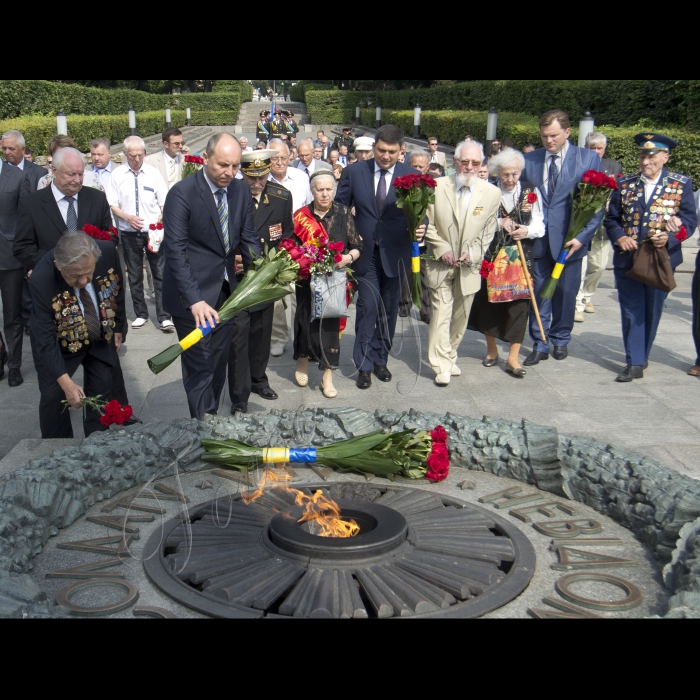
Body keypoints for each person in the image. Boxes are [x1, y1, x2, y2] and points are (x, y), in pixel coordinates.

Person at [163, 133, 260, 419]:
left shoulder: (241, 191)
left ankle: (210, 415)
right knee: (199, 365)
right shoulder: (182, 194)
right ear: (205, 159)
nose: (229, 173)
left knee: (217, 363)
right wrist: (194, 300)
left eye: (235, 166)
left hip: (225, 293)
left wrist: (267, 272)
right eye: (222, 165)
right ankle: (203, 429)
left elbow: (249, 238)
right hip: (190, 298)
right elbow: (176, 252)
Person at [336, 125, 426, 389]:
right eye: (381, 150)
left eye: (391, 152)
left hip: (395, 253)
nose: (385, 156)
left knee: (389, 311)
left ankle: (380, 360)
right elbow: (341, 209)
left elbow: (421, 212)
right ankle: (363, 364)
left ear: (401, 151)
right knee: (367, 308)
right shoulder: (355, 171)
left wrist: (423, 225)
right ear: (374, 147)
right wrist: (348, 239)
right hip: (364, 254)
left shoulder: (410, 176)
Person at [607, 133, 696, 383]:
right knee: (631, 310)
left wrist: (672, 238)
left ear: (665, 157)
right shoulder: (624, 184)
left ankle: (640, 354)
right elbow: (612, 219)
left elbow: (689, 222)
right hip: (629, 258)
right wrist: (619, 237)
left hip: (661, 260)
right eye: (643, 155)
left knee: (652, 310)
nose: (646, 161)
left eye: (652, 156)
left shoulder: (680, 184)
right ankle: (634, 361)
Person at [522, 109, 603, 366]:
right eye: (545, 136)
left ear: (568, 132)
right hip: (539, 240)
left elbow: (598, 203)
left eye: (554, 135)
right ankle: (540, 341)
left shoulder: (587, 159)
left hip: (571, 240)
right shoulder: (530, 160)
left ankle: (560, 338)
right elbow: (522, 196)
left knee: (566, 294)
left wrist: (583, 236)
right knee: (539, 293)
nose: (549, 141)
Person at [29, 232, 125, 439]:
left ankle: (97, 442)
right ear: (59, 266)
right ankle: (57, 448)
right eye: (75, 276)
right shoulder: (40, 281)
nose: (83, 280)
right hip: (61, 342)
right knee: (54, 395)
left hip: (98, 335)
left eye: (88, 273)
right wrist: (67, 384)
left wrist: (119, 326)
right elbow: (44, 340)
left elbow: (117, 289)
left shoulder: (107, 251)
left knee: (101, 389)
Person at [423, 141, 501, 385]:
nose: (469, 167)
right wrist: (442, 247)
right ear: (455, 162)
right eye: (464, 161)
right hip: (439, 264)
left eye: (475, 163)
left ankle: (450, 354)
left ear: (481, 165)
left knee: (460, 316)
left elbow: (487, 232)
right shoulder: (435, 187)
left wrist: (472, 254)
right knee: (440, 313)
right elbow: (426, 225)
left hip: (469, 267)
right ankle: (441, 365)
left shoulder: (491, 193)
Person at [468, 149, 545, 378]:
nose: (510, 179)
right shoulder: (488, 191)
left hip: (520, 259)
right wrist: (498, 222)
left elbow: (540, 223)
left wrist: (527, 230)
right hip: (492, 257)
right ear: (497, 174)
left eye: (514, 174)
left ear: (520, 171)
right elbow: (477, 221)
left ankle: (513, 358)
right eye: (505, 175)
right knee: (489, 304)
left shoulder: (531, 192)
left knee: (519, 307)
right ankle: (492, 351)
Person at [227, 150, 294, 415]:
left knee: (262, 332)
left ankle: (259, 379)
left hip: (266, 276)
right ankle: (239, 394)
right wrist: (234, 259)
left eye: (262, 177)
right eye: (250, 177)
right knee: (239, 335)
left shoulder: (281, 197)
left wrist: (277, 265)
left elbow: (287, 236)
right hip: (239, 280)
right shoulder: (231, 196)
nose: (256, 183)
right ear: (242, 173)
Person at [294, 171, 363, 399]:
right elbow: (291, 249)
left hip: (335, 280)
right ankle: (302, 360)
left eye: (328, 189)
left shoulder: (343, 213)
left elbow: (356, 245)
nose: (324, 194)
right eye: (319, 189)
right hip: (307, 280)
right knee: (305, 320)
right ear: (312, 191)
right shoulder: (300, 216)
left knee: (329, 327)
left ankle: (327, 374)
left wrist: (347, 258)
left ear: (334, 190)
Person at [107, 136, 173, 333]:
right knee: (134, 274)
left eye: (139, 154)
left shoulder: (153, 173)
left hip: (153, 232)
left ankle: (164, 316)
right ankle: (141, 313)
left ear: (144, 153)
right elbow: (112, 204)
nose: (136, 158)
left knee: (159, 272)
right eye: (132, 155)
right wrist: (127, 218)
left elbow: (164, 201)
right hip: (129, 232)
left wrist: (160, 217)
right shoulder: (117, 174)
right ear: (125, 154)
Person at [14, 148, 113, 272]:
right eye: (71, 174)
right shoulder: (31, 204)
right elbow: (22, 248)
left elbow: (110, 237)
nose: (77, 180)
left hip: (91, 278)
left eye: (81, 174)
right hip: (51, 279)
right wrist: (57, 262)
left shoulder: (97, 199)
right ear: (54, 171)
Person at [574, 132, 623, 323]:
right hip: (581, 224)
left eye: (599, 148)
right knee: (580, 265)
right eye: (592, 148)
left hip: (602, 227)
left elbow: (619, 194)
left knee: (599, 265)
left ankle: (588, 295)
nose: (596, 152)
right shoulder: (578, 165)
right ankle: (577, 303)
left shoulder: (614, 166)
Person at [0, 157, 27, 387]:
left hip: (9, 257)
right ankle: (1, 352)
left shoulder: (17, 176)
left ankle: (15, 364)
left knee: (12, 314)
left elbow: (25, 219)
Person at [2, 130, 48, 198]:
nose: (7, 152)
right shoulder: (1, 170)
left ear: (23, 149)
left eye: (11, 149)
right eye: (4, 148)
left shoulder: (40, 172)